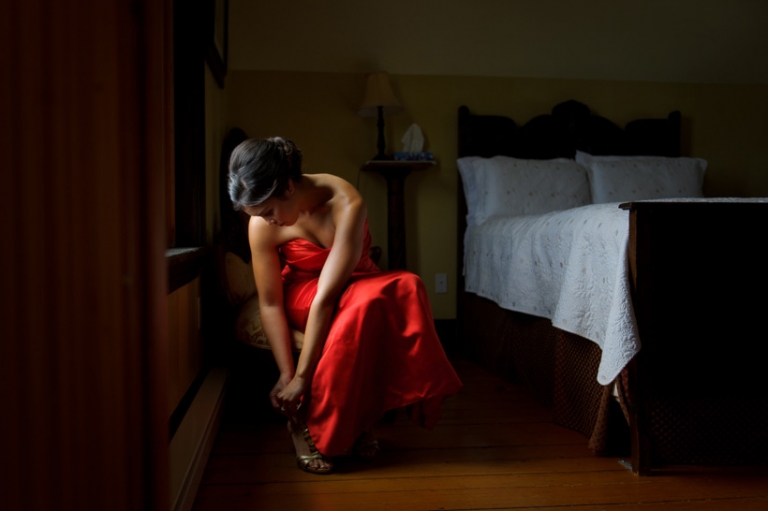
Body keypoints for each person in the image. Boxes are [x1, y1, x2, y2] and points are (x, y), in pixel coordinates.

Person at [228, 136, 463, 474]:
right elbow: (269, 302)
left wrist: (304, 377)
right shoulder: (261, 225)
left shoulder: (346, 199)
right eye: (258, 215)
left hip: (355, 285)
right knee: (364, 306)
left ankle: (360, 418)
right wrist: (287, 374)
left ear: (289, 189)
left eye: (268, 212)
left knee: (407, 286)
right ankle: (305, 424)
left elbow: (333, 292)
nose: (267, 222)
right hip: (304, 293)